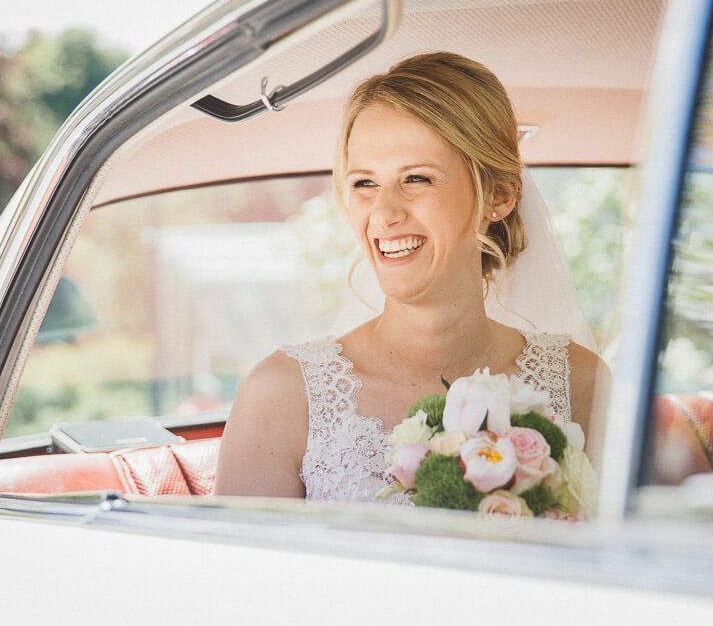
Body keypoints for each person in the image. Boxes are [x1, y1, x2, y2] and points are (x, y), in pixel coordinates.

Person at [216, 52, 608, 503]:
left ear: (498, 196)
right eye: (365, 183)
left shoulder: (583, 383)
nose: (384, 213)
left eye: (417, 178)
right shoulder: (282, 395)